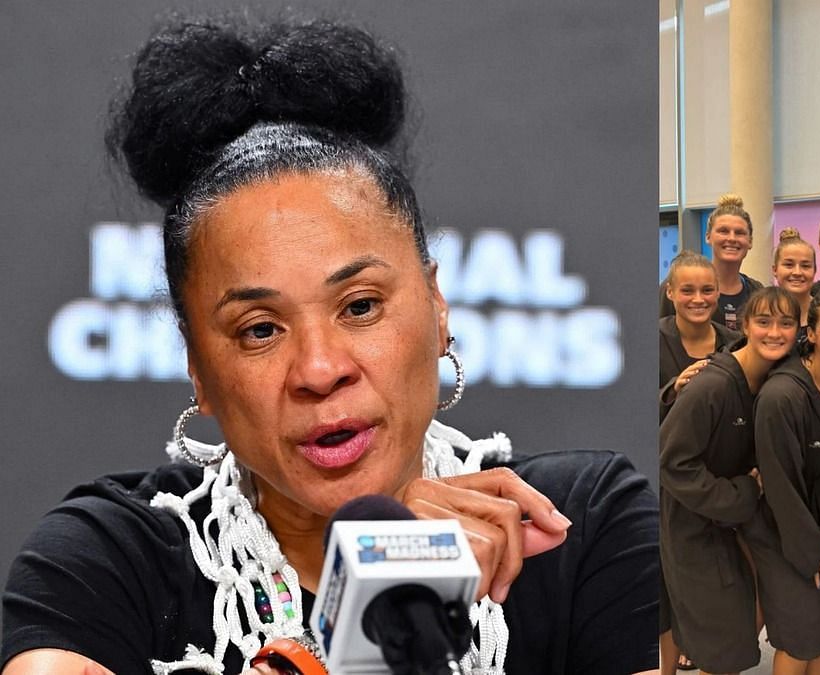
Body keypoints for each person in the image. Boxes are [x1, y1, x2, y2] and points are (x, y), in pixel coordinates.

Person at [1, 19, 657, 675]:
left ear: (437, 306)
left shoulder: (580, 526)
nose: (319, 369)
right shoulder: (101, 561)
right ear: (197, 366)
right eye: (260, 328)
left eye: (361, 305)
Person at [660, 287, 800, 675]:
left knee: (731, 641)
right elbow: (672, 463)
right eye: (764, 322)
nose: (775, 332)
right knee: (722, 648)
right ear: (745, 326)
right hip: (693, 522)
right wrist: (744, 491)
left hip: (729, 522)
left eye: (786, 323)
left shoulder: (769, 380)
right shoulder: (713, 386)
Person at [743, 289, 820, 675]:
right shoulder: (783, 396)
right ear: (810, 334)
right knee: (803, 634)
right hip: (785, 530)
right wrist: (811, 549)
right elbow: (779, 485)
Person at [659, 194, 764, 332]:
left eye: (739, 233)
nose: (731, 238)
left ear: (750, 241)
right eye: (723, 231)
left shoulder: (757, 291)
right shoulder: (679, 285)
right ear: (708, 237)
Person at [659, 250, 741, 422]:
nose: (698, 299)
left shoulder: (736, 344)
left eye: (707, 290)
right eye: (687, 291)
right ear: (670, 292)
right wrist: (672, 391)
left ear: (718, 292)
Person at [772, 227, 818, 347]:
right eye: (789, 265)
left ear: (815, 271)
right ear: (775, 270)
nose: (797, 272)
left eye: (805, 266)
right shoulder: (762, 314)